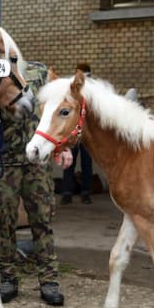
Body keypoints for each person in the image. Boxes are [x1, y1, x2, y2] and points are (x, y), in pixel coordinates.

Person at [0, 61, 72, 306]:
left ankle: (49, 281)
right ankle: (8, 279)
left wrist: (62, 148)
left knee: (42, 221)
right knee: (4, 223)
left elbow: (60, 111)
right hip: (6, 162)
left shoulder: (41, 73)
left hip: (37, 162)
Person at [62, 63, 94, 205]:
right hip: (74, 131)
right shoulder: (72, 89)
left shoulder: (93, 90)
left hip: (86, 132)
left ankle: (86, 192)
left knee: (87, 163)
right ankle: (67, 192)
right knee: (69, 161)